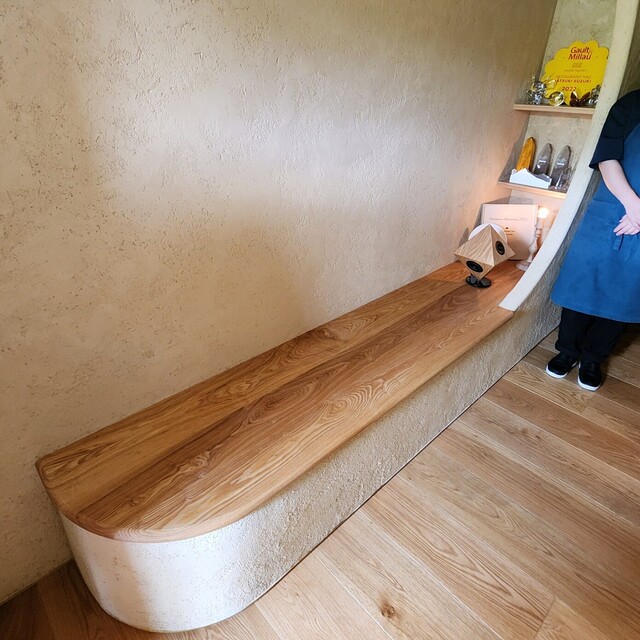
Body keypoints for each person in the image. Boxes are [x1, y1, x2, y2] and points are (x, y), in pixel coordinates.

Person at [547, 89, 640, 391]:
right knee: (582, 283)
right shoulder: (632, 103)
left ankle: (593, 358)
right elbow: (607, 157)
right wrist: (634, 206)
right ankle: (567, 350)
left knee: (624, 293)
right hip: (611, 206)